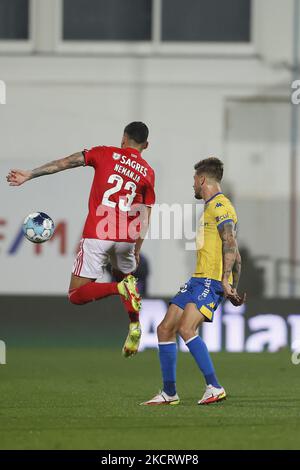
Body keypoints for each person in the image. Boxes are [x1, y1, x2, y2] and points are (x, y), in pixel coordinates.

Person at [6, 121, 155, 357]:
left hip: (98, 233)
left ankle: (119, 288)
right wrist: (137, 248)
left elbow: (64, 163)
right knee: (126, 276)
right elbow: (145, 215)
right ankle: (134, 325)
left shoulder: (104, 152)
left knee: (76, 295)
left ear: (123, 139)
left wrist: (30, 174)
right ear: (146, 145)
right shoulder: (148, 172)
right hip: (126, 236)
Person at [142, 157, 245, 406]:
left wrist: (224, 280)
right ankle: (169, 392)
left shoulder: (220, 206)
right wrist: (235, 285)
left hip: (210, 280)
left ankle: (214, 387)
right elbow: (237, 255)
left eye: (194, 181)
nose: (193, 186)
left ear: (202, 180)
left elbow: (230, 242)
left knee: (187, 329)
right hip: (197, 280)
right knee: (165, 328)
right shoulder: (211, 208)